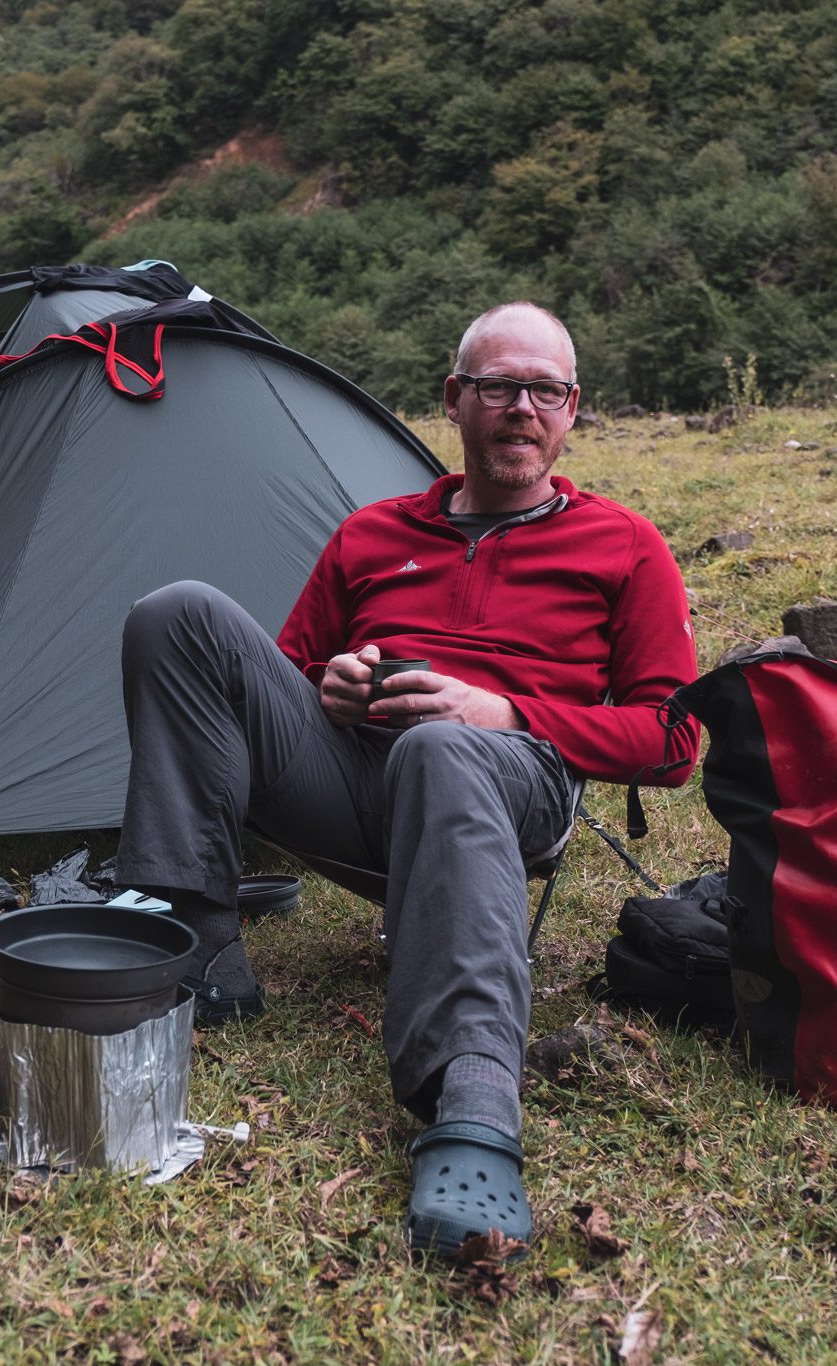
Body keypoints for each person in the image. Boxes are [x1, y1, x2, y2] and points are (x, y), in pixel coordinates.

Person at [113, 301, 700, 1258]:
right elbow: (279, 674)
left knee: (443, 746)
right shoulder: (373, 532)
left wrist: (503, 713)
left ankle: (470, 1097)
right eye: (498, 386)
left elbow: (674, 740)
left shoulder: (625, 545)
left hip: (513, 782)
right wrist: (330, 684)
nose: (521, 407)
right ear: (454, 400)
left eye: (544, 390)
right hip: (355, 780)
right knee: (179, 613)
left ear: (572, 410)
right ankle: (204, 952)